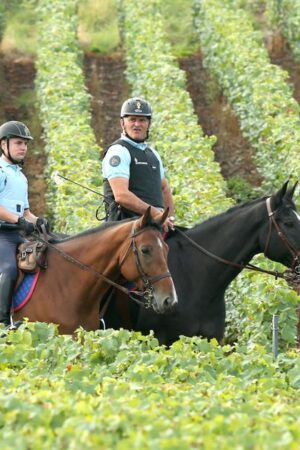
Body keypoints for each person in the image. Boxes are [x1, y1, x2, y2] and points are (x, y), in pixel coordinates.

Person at [0, 120, 48, 327]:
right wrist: (18, 220)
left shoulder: (20, 176)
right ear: (4, 144)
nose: (23, 148)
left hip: (19, 234)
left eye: (25, 144)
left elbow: (26, 212)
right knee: (9, 269)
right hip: (3, 234)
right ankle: (2, 323)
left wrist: (39, 221)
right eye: (19, 143)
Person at [102, 97, 176, 229]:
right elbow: (121, 195)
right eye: (132, 119)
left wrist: (169, 218)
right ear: (122, 123)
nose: (137, 124)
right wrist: (156, 214)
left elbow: (164, 188)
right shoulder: (119, 151)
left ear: (148, 124)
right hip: (126, 228)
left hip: (153, 226)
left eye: (142, 120)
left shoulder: (153, 154)